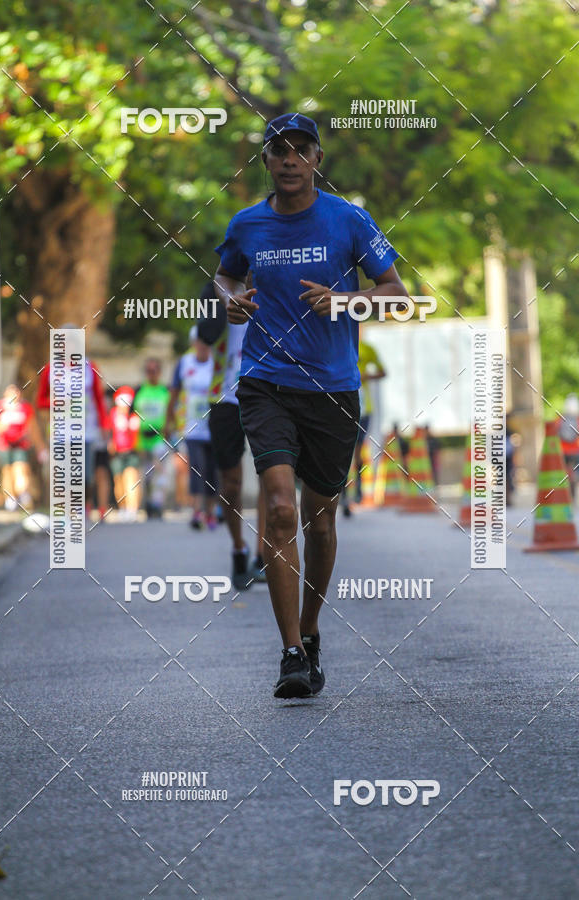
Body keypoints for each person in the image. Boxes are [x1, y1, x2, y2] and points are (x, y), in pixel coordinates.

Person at [214, 112, 408, 698]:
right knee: (278, 508)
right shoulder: (247, 224)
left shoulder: (349, 219)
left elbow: (398, 296)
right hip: (265, 382)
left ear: (318, 159)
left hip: (332, 388)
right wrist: (231, 300)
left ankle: (312, 627)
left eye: (301, 150)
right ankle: (291, 654)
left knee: (318, 519)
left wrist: (346, 301)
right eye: (280, 151)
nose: (290, 160)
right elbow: (224, 278)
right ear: (266, 161)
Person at [196, 284, 267, 589]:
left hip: (268, 393)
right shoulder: (215, 290)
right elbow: (205, 338)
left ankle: (263, 555)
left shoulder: (272, 279)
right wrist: (223, 301)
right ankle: (239, 547)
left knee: (272, 475)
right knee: (231, 482)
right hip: (224, 398)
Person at [36, 333, 109, 519]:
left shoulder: (89, 367)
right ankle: (66, 510)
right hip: (60, 431)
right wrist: (58, 402)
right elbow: (40, 401)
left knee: (85, 475)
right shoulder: (51, 369)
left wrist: (104, 424)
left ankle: (83, 505)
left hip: (86, 431)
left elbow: (99, 398)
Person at [166, 327, 217, 530]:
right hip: (192, 428)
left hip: (214, 426)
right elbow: (174, 393)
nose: (203, 345)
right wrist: (169, 421)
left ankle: (210, 512)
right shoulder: (184, 363)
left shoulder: (217, 363)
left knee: (212, 471)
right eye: (199, 341)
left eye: (206, 342)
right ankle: (196, 511)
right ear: (193, 343)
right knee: (197, 467)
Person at [342, 338, 386, 515]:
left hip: (364, 408)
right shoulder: (337, 343)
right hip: (342, 406)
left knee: (358, 450)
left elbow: (383, 372)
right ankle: (344, 493)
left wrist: (366, 376)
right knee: (344, 451)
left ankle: (358, 486)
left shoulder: (367, 348)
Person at [0, 384, 46, 511]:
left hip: (21, 444)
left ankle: (23, 493)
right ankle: (11, 498)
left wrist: (40, 447)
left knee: (21, 469)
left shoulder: (25, 408)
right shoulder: (0, 406)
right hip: (5, 445)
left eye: (16, 391)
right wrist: (2, 427)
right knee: (7, 471)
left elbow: (33, 428)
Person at [133, 358, 170, 519]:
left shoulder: (165, 391)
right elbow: (133, 415)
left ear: (159, 372)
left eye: (154, 371)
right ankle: (148, 504)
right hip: (143, 438)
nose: (151, 374)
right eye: (148, 371)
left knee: (160, 474)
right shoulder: (140, 391)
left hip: (159, 438)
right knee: (147, 475)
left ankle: (158, 505)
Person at [109, 385, 141, 521]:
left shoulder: (134, 416)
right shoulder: (113, 414)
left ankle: (132, 509)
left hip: (131, 452)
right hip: (117, 453)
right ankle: (122, 507)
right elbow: (108, 431)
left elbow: (137, 436)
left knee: (131, 479)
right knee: (119, 481)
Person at [557, 394, 579, 501]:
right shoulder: (577, 419)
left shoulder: (560, 419)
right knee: (573, 474)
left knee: (564, 474)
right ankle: (572, 496)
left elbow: (555, 433)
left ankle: (565, 497)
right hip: (575, 451)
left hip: (563, 451)